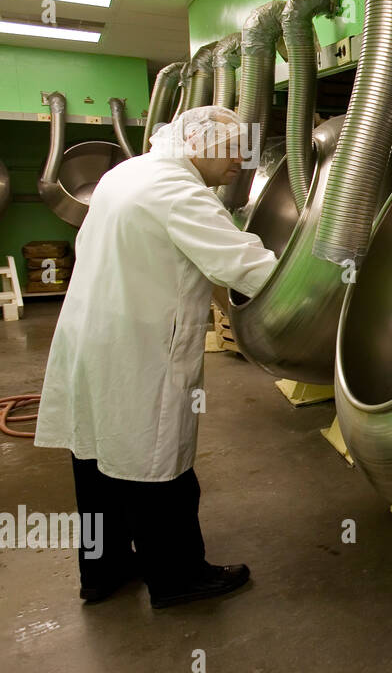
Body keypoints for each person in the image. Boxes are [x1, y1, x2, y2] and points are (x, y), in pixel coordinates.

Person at [35, 105, 278, 609]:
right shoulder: (180, 191)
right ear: (196, 143)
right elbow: (251, 270)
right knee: (158, 466)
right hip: (139, 347)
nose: (242, 160)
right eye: (233, 148)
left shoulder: (127, 172)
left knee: (96, 460)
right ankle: (177, 577)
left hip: (92, 335)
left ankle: (103, 572)